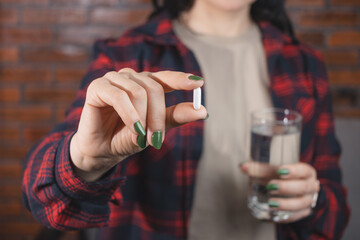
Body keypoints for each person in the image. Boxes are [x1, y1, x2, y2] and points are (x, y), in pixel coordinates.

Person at [22, 0, 350, 239]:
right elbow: (39, 194)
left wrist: (312, 199)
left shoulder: (305, 64)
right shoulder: (129, 54)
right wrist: (82, 160)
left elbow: (335, 212)